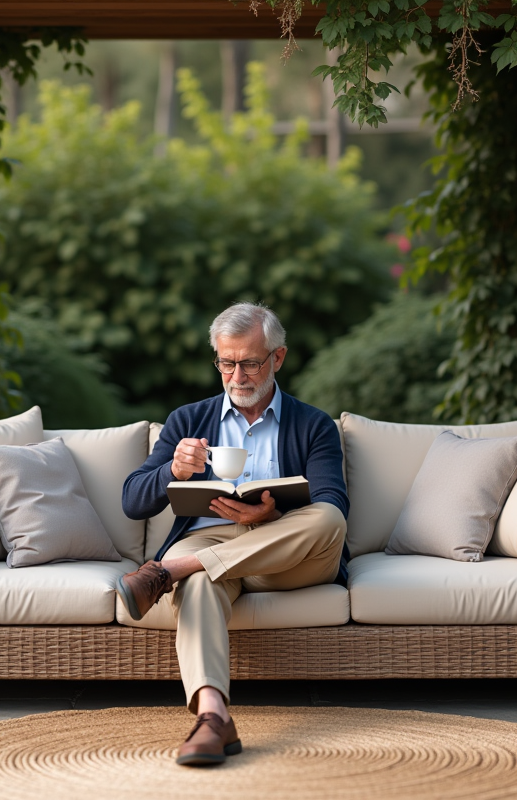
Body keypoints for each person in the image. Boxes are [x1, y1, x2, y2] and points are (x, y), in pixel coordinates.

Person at [119, 302, 349, 767]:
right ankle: (212, 717)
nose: (237, 375)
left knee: (329, 520)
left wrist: (267, 518)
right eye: (227, 363)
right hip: (210, 543)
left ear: (277, 358)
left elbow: (334, 503)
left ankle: (170, 571)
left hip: (286, 553)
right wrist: (172, 470)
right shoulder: (187, 421)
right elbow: (131, 500)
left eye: (250, 362)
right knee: (203, 578)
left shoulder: (314, 425)